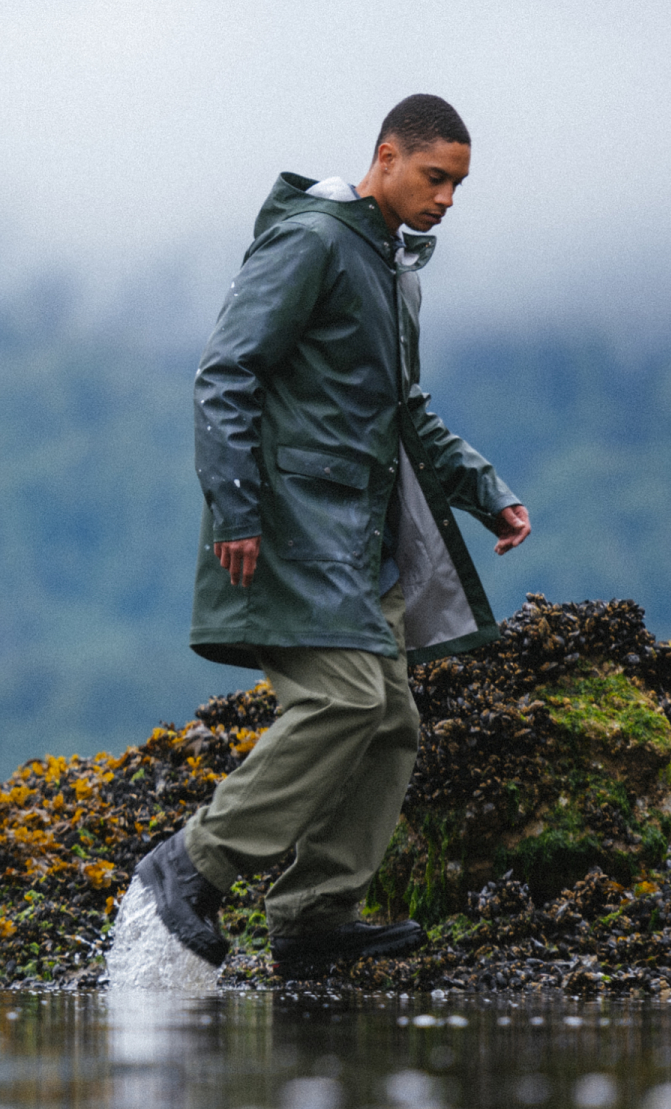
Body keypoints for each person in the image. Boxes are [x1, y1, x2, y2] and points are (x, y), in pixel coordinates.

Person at [135, 94, 530, 976]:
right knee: (347, 698)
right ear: (386, 156)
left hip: (362, 546)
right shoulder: (312, 241)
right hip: (287, 529)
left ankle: (314, 917)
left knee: (390, 722)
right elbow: (225, 372)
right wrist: (235, 507)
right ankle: (192, 865)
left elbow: (404, 415)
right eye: (436, 178)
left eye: (459, 186)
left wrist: (483, 489)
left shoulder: (396, 272)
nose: (447, 201)